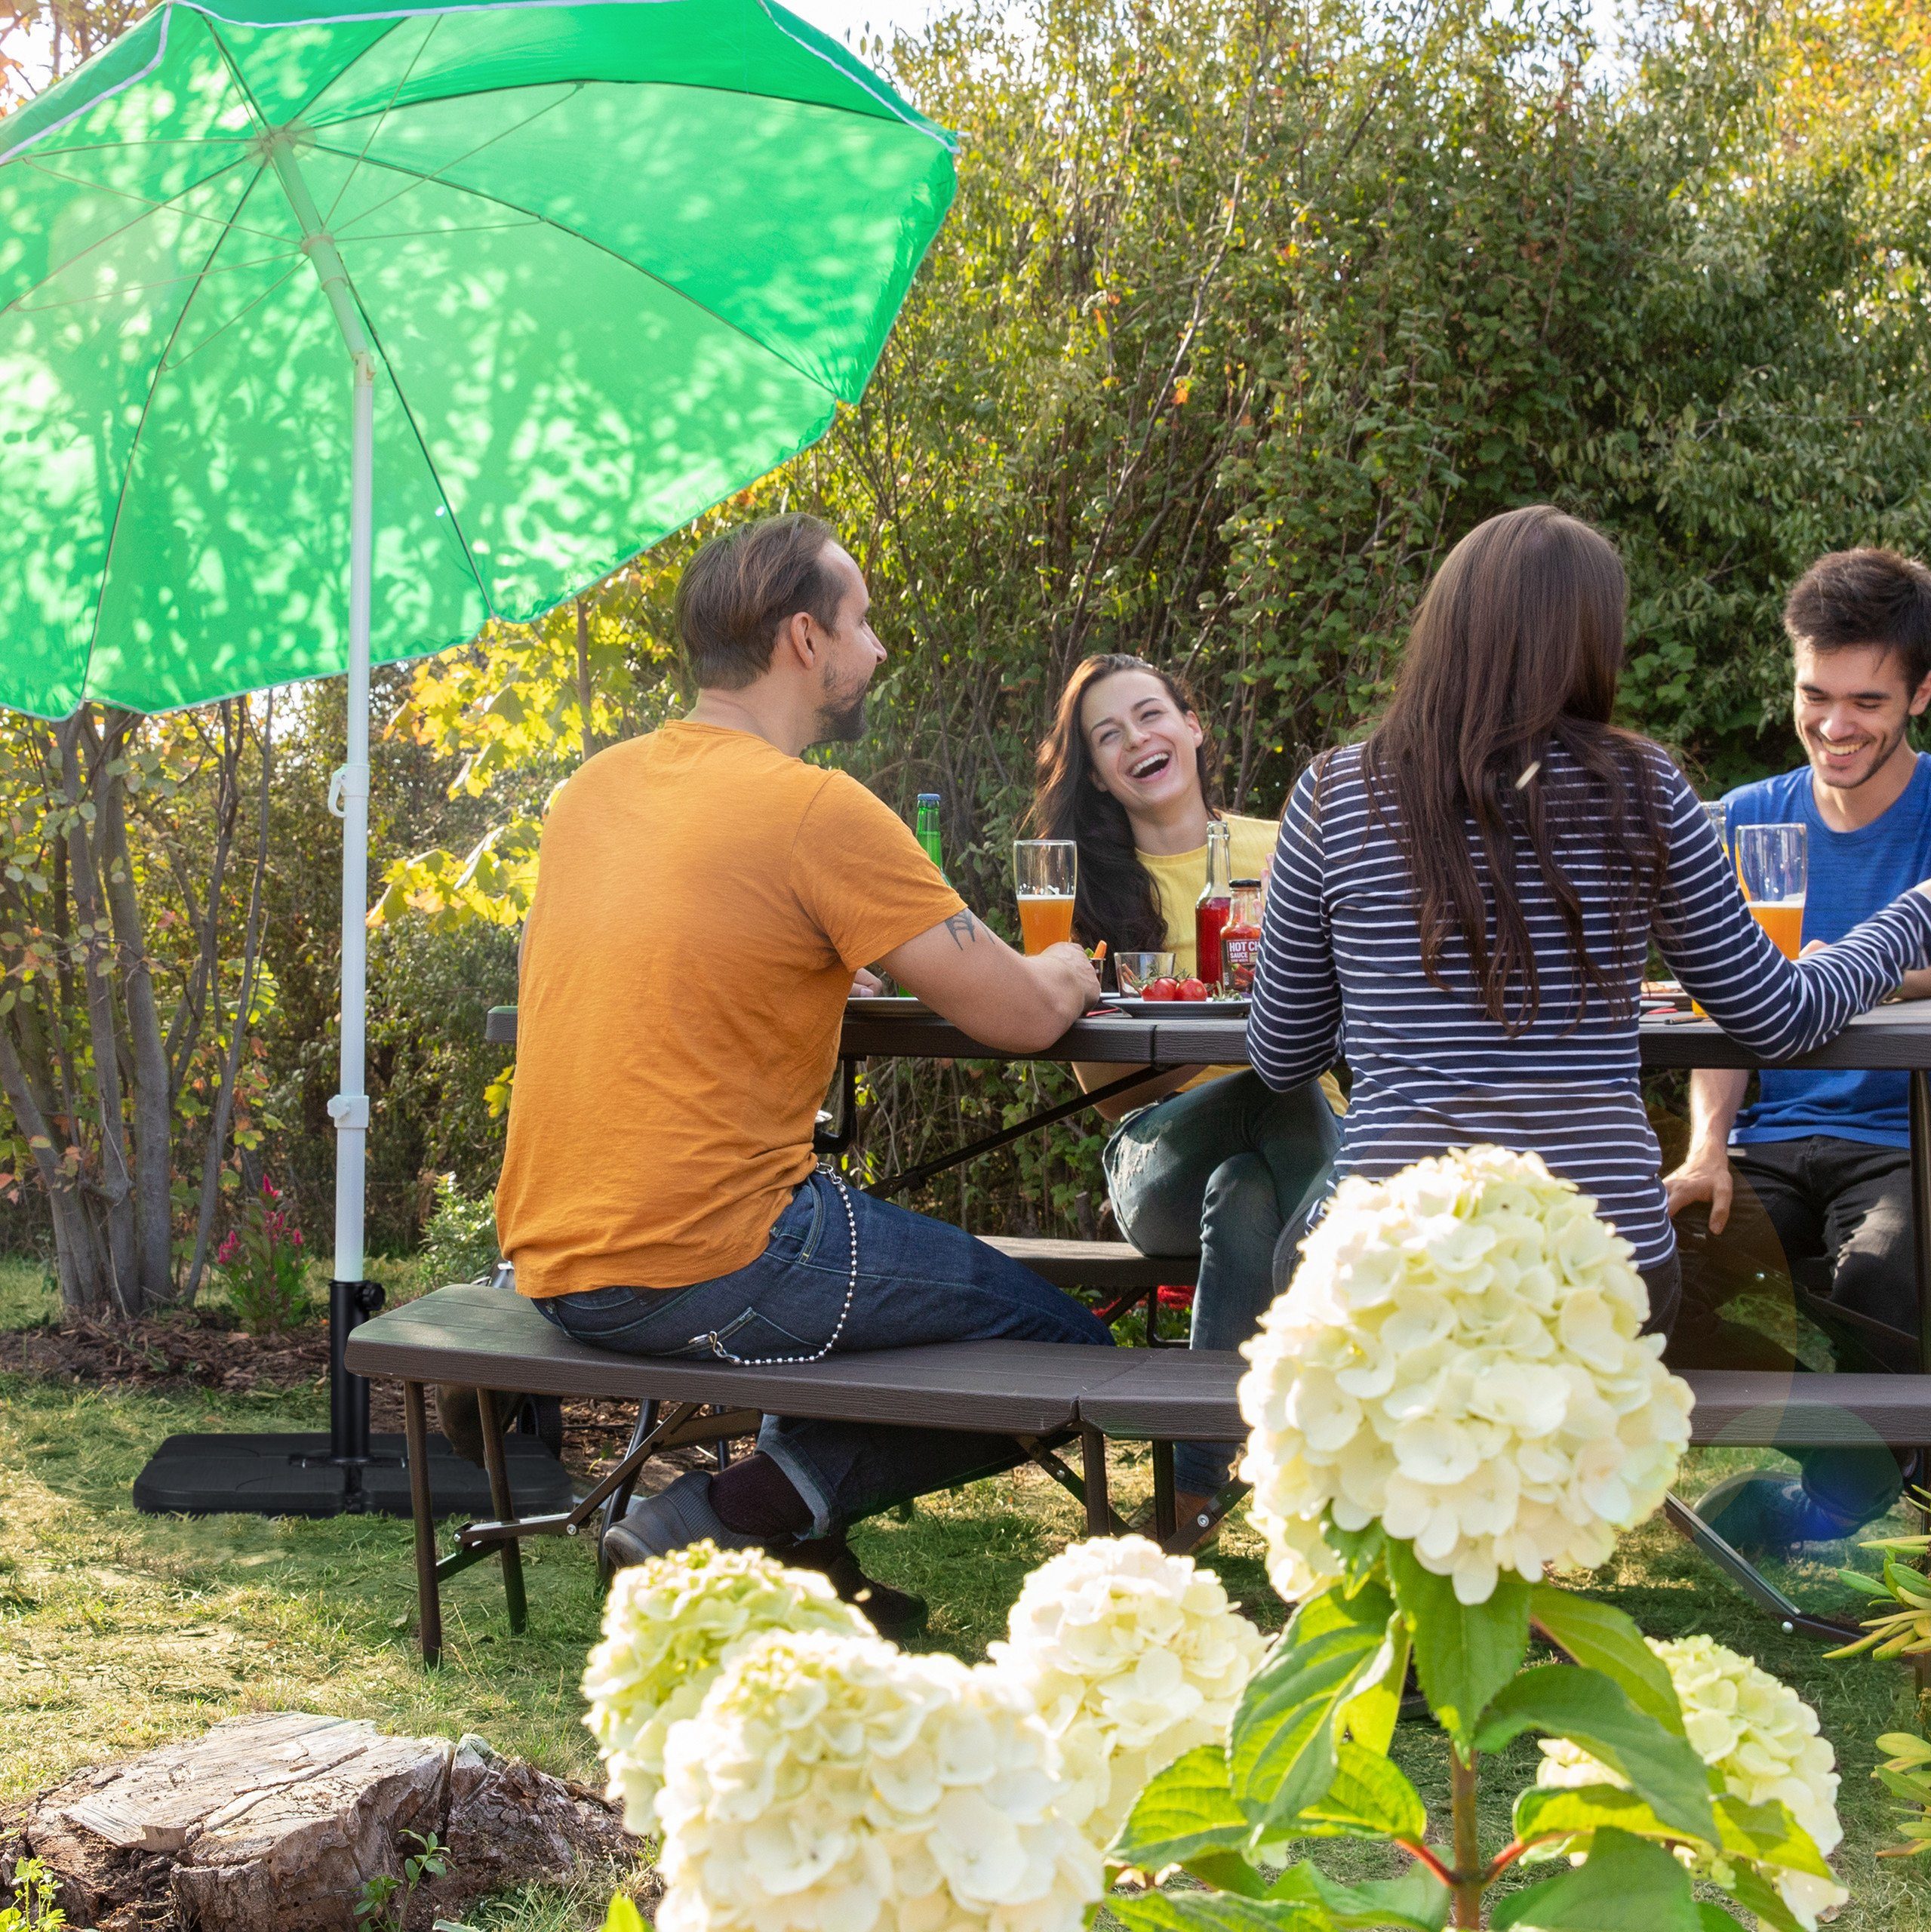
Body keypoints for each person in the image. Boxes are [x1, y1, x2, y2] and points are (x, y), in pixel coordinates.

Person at [495, 512, 1108, 1633]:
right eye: (861, 622)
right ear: (802, 641)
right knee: (1065, 1344)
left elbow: (614, 957)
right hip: (713, 1262)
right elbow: (1018, 1016)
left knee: (873, 1284)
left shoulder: (594, 792)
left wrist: (801, 965)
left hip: (552, 1262)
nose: (875, 649)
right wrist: (1065, 963)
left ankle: (806, 1564)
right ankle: (737, 1507)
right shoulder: (814, 809)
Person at [1247, 505, 1931, 1349]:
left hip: (1397, 1253)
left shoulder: (1332, 792)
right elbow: (1778, 1016)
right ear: (1585, 643)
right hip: (1601, 1258)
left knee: (1299, 1261)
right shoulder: (1641, 787)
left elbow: (1281, 1052)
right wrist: (1914, 916)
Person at [1031, 654, 1341, 1546]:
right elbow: (1104, 1092)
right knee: (1269, 1092)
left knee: (1246, 1188)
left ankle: (1191, 1492)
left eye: (1151, 715)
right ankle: (1340, 1281)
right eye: (1109, 735)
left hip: (1290, 1149)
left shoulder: (1289, 847)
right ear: (1095, 772)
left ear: (1194, 726)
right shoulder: (1080, 886)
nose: (1138, 740)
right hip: (1155, 1152)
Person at [1663, 547, 1931, 1545]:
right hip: (1770, 1133)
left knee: (1880, 1275)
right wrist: (1702, 1147)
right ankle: (1853, 1471)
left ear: (1918, 693)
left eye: (1864, 700)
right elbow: (1724, 1016)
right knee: (1661, 1266)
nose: (1832, 725)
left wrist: (1861, 973)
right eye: (1812, 695)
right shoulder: (1744, 819)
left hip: (1906, 1136)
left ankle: (1843, 1497)